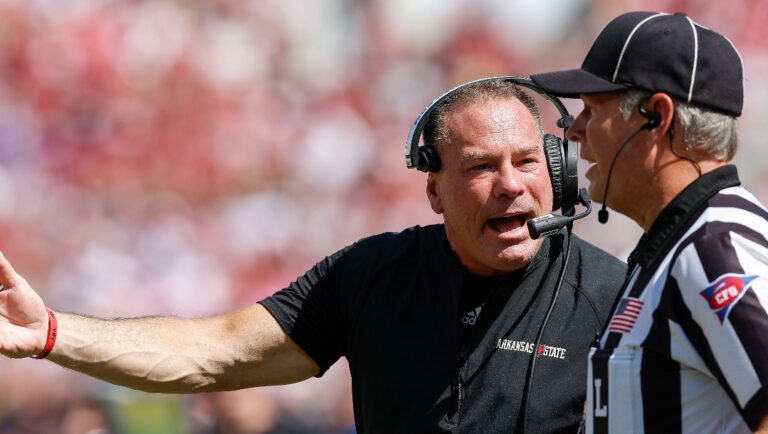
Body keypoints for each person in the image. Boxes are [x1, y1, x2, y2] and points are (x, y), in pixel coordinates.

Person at [0, 78, 626, 433]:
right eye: (481, 167)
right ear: (433, 189)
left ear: (560, 172)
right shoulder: (373, 274)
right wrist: (52, 332)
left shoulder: (615, 298)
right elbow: (213, 353)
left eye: (527, 162)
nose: (512, 185)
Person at [530, 10, 768, 434]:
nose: (574, 131)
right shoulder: (682, 242)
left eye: (591, 108)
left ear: (657, 116)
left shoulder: (713, 247)